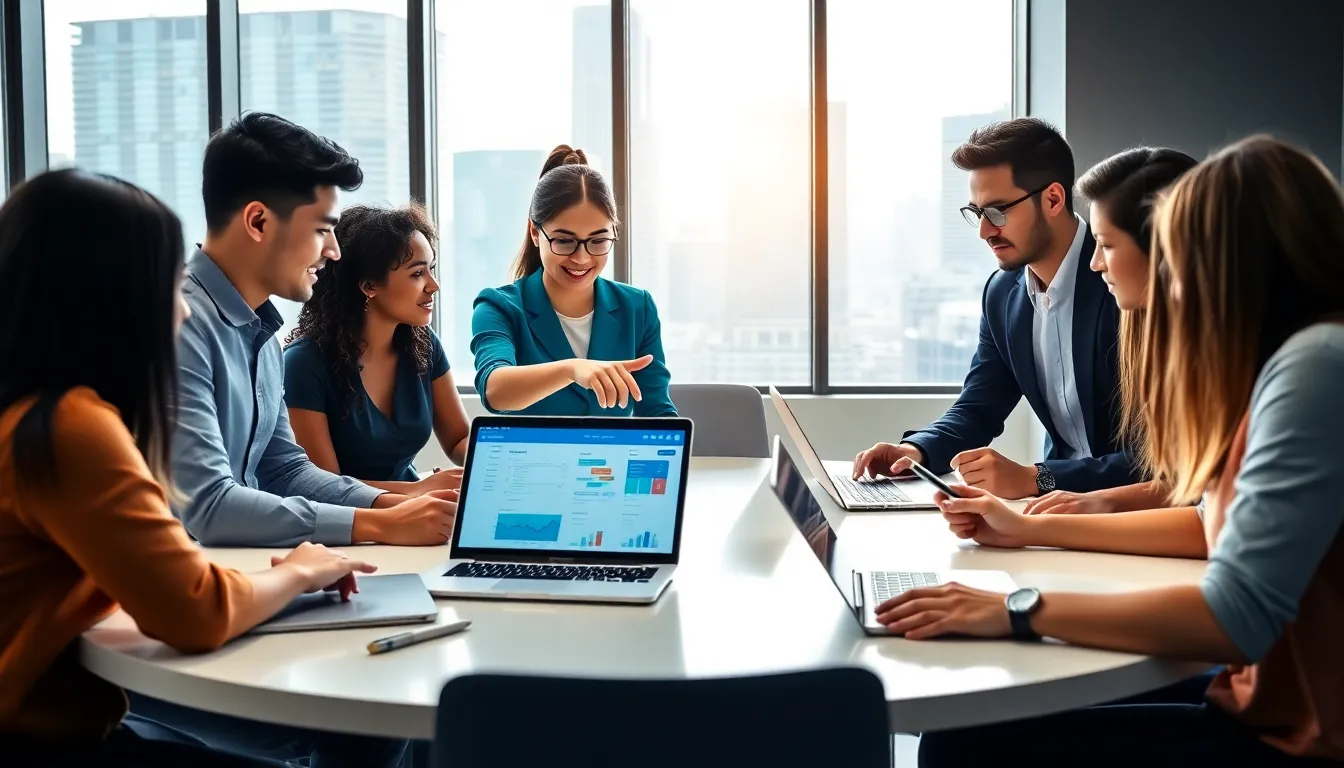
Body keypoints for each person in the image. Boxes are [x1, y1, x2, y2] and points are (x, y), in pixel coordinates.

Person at [884, 136, 1344, 765]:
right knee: (971, 731)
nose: (1167, 267)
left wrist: (1017, 610)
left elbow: (1238, 613)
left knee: (962, 749)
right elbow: (1212, 523)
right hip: (1255, 695)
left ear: (1225, 254)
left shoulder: (1315, 366)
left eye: (1181, 246)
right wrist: (1029, 528)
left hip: (1294, 735)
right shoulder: (1283, 361)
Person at [0, 169, 379, 767]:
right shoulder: (71, 428)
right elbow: (194, 612)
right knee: (364, 729)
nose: (179, 310)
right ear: (108, 296)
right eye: (162, 284)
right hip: (45, 735)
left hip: (58, 708)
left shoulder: (27, 415)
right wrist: (301, 573)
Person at [173, 112, 456, 548]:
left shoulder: (260, 329)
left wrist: (391, 505)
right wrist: (379, 523)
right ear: (258, 222)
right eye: (323, 229)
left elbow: (286, 471)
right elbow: (209, 507)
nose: (334, 250)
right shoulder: (181, 327)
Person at [852, 118, 1139, 498]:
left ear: (1053, 199)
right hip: (1054, 509)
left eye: (998, 211)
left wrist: (1038, 478)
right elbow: (979, 406)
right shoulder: (1003, 294)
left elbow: (1160, 458)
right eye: (977, 213)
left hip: (1139, 508)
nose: (984, 231)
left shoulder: (1127, 280)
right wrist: (916, 451)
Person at [1023, 147, 1199, 516]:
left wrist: (1041, 494)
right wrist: (1085, 505)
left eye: (1107, 244)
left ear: (1165, 247)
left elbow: (1208, 515)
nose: (1095, 262)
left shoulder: (1251, 357)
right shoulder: (1153, 333)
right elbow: (1187, 485)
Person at [470, 145, 676, 416]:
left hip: (609, 460)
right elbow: (495, 390)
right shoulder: (499, 307)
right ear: (535, 233)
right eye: (565, 241)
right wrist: (572, 369)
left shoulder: (638, 308)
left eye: (598, 241)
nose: (581, 258)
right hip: (530, 459)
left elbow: (658, 413)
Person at [284, 202, 470, 493]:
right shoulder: (303, 365)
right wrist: (419, 490)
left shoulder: (423, 343)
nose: (434, 285)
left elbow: (459, 439)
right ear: (369, 285)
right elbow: (323, 488)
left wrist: (499, 461)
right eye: (417, 273)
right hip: (347, 526)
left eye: (431, 269)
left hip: (415, 512)